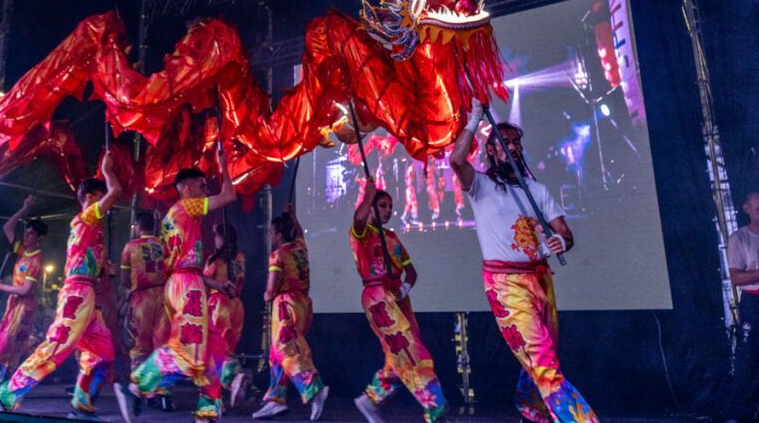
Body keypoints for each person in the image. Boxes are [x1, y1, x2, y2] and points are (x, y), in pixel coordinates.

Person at [449, 99, 598, 423]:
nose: (512, 148)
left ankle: (530, 407)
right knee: (544, 362)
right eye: (505, 144)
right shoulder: (481, 186)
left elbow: (564, 233)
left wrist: (561, 242)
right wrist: (474, 118)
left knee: (544, 354)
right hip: (506, 284)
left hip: (540, 279)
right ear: (492, 151)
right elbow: (456, 159)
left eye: (516, 143)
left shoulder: (536, 189)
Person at [0, 152, 121, 419]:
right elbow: (116, 191)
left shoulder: (92, 229)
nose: (107, 203)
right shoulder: (87, 217)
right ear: (91, 196)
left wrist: (105, 269)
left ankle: (82, 405)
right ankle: (5, 395)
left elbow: (91, 263)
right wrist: (107, 170)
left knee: (103, 353)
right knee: (56, 346)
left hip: (87, 294)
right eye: (100, 195)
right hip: (77, 294)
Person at [117, 149, 237, 423]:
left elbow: (185, 265)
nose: (206, 190)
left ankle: (208, 410)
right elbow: (229, 196)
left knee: (213, 346)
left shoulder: (177, 218)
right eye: (202, 185)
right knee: (190, 350)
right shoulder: (186, 205)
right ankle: (138, 385)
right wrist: (224, 166)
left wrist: (216, 284)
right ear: (187, 188)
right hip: (185, 286)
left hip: (181, 282)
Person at [351, 182, 447, 423]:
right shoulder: (361, 234)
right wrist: (367, 196)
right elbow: (359, 220)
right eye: (382, 205)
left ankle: (371, 398)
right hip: (377, 297)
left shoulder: (392, 238)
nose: (387, 210)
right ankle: (435, 406)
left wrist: (404, 287)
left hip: (397, 297)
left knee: (398, 354)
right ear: (371, 208)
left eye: (390, 207)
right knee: (408, 348)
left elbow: (411, 272)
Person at [253, 204, 329, 421]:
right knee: (277, 355)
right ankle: (274, 400)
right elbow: (301, 232)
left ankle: (313, 388)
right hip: (303, 304)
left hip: (285, 305)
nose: (269, 234)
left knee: (287, 351)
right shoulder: (300, 248)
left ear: (278, 234)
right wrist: (294, 218)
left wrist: (266, 296)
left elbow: (271, 289)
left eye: (271, 231)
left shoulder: (278, 255)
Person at [0, 195, 47, 383]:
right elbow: (7, 227)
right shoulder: (22, 250)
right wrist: (25, 208)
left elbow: (25, 290)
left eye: (31, 234)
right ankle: (5, 381)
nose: (26, 235)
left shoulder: (37, 259)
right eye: (27, 232)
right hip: (13, 304)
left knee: (10, 344)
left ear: (39, 238)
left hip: (25, 306)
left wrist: (0, 286)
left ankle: (9, 381)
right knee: (3, 343)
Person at [120, 211, 171, 408]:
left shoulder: (130, 247)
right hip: (163, 297)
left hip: (141, 299)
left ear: (137, 226)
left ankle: (139, 389)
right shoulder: (163, 245)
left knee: (140, 345)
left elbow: (124, 280)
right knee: (161, 343)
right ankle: (161, 392)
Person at [204, 220, 247, 409]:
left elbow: (205, 281)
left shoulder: (215, 261)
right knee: (227, 350)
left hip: (219, 305)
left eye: (217, 236)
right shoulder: (239, 259)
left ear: (222, 238)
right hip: (236, 305)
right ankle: (221, 394)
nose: (215, 239)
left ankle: (233, 379)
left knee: (216, 353)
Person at [724, 191, 759, 421]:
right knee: (749, 358)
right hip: (753, 302)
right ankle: (741, 413)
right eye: (757, 206)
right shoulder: (739, 238)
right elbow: (736, 278)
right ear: (746, 208)